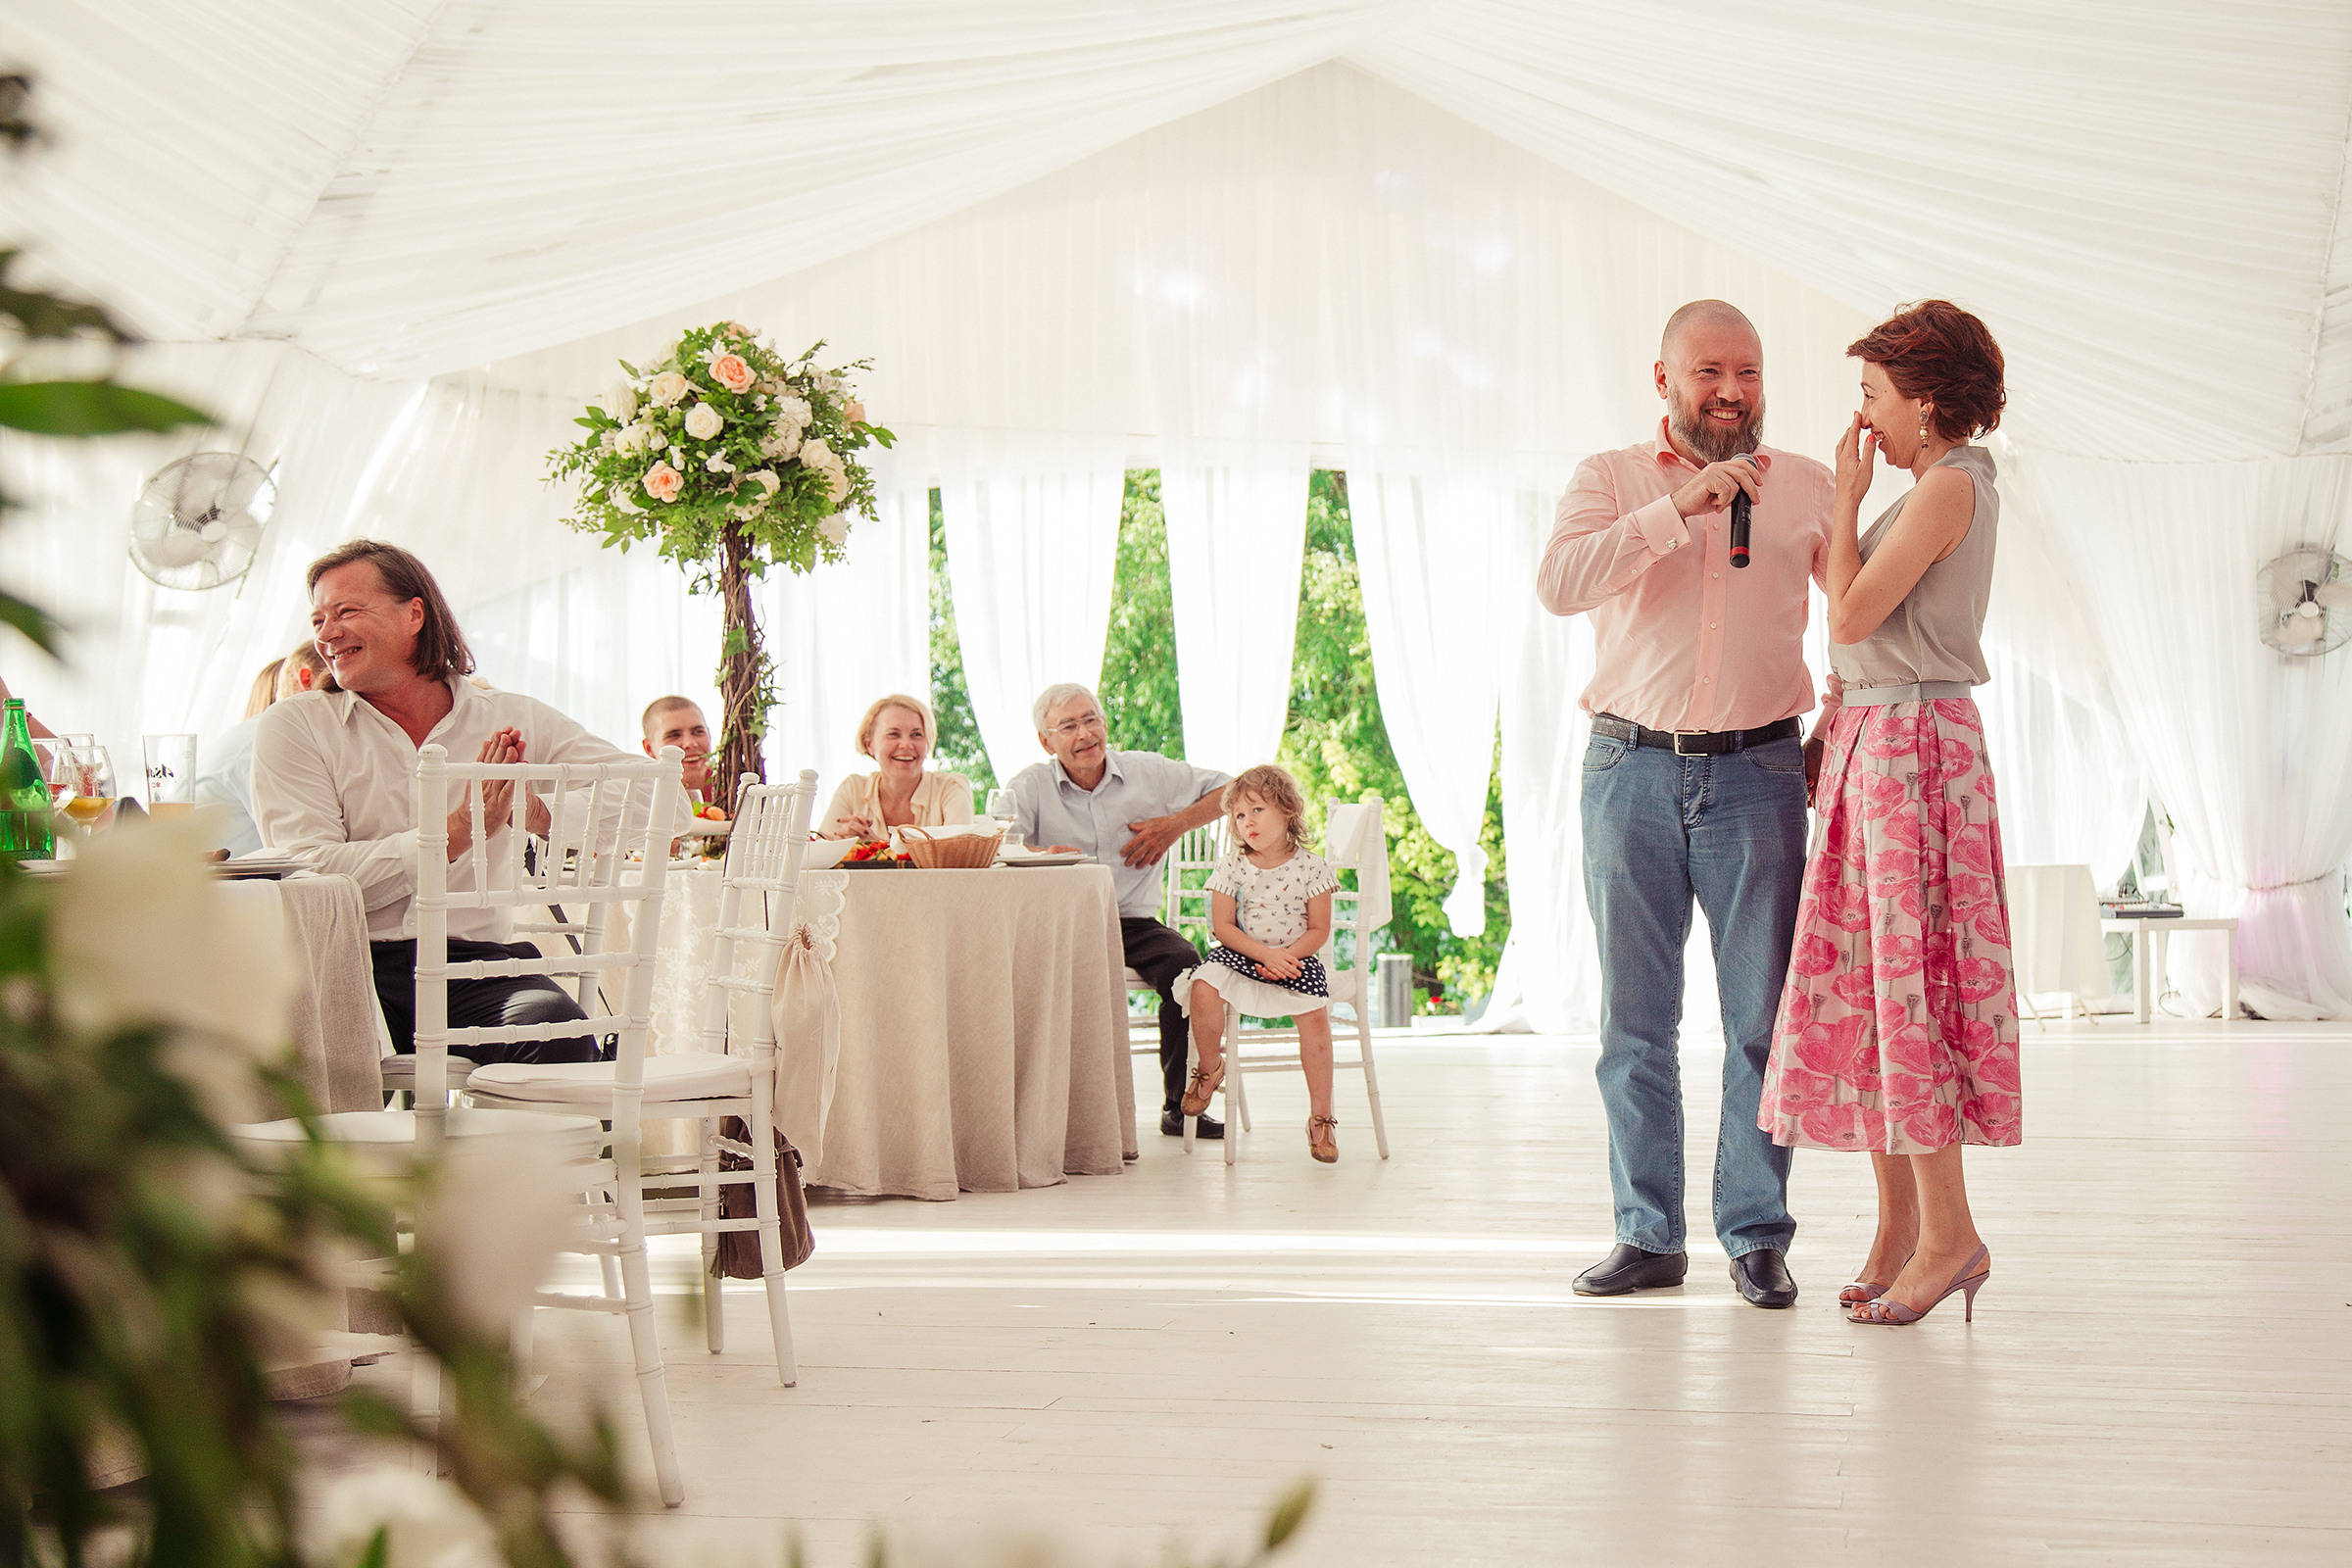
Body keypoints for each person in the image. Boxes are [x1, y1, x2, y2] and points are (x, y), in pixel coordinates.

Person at [1538, 298, 1834, 1309]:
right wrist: (1680, 510)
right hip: (1630, 773)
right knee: (1634, 1024)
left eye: (1748, 372)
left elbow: (1866, 616)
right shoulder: (1608, 479)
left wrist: (1836, 713)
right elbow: (1559, 583)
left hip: (1759, 775)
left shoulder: (1807, 487)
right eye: (1710, 372)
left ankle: (1756, 1233)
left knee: (1761, 1023)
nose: (1732, 391)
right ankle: (1648, 1235)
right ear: (1662, 379)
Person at [1756, 300, 2020, 1327]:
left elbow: (1856, 613)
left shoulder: (1949, 487)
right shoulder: (1931, 490)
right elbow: (1865, 633)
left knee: (1909, 989)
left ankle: (1950, 1234)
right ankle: (1903, 1227)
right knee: (1874, 989)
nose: (1861, 415)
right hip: (1884, 743)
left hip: (1914, 754)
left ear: (1925, 402)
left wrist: (1848, 501)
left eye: (1873, 394)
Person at [253, 539, 652, 1067]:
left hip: (478, 970)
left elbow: (657, 797)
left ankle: (499, 1155)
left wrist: (535, 812)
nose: (326, 634)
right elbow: (309, 872)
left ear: (414, 613)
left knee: (559, 1036)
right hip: (346, 969)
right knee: (276, 1063)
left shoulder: (510, 716)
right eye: (318, 619)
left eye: (345, 612)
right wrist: (457, 832)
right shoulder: (296, 726)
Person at [1008, 682, 1231, 1139]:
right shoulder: (1029, 786)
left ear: (1105, 724)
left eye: (1091, 719)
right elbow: (999, 842)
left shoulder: (1148, 771)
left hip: (1132, 922)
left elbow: (1233, 788)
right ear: (1046, 741)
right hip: (1060, 922)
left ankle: (1179, 1106)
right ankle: (1038, 1118)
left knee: (1188, 972)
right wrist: (1040, 853)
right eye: (1068, 725)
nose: (1085, 733)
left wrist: (1174, 826)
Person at [1174, 764, 1342, 1161]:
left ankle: (1321, 1119)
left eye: (1257, 811)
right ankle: (1210, 1069)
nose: (1246, 822)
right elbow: (1221, 926)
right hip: (1243, 952)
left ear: (1287, 810)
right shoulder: (1232, 864)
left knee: (1315, 1020)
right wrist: (1263, 954)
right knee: (1203, 987)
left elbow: (1319, 928)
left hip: (1295, 956)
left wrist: (1286, 957)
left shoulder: (1312, 866)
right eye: (1239, 815)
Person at [192, 641, 326, 857]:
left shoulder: (257, 733)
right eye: (336, 687)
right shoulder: (265, 741)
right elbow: (306, 846)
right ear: (306, 680)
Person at [816, 694, 972, 839]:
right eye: (893, 734)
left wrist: (876, 849)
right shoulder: (853, 789)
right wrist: (841, 844)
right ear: (869, 744)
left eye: (917, 734)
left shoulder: (951, 788)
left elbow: (958, 856)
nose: (906, 745)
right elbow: (817, 855)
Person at [641, 696, 728, 820]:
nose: (690, 743)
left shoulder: (733, 786)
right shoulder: (640, 796)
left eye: (698, 732)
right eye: (674, 735)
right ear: (649, 748)